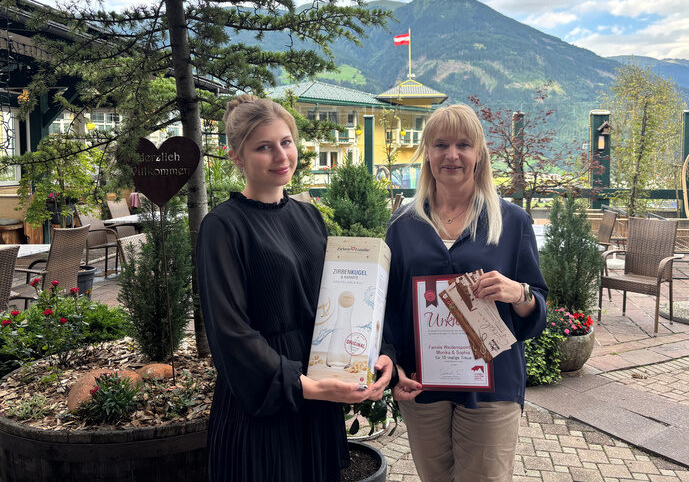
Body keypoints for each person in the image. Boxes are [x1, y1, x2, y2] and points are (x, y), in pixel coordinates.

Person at [196, 94, 393, 482]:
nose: (281, 155)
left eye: (285, 142)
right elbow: (230, 333)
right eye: (263, 147)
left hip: (317, 386)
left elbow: (336, 300)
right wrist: (306, 386)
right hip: (264, 397)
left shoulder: (308, 215)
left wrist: (375, 354)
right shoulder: (223, 226)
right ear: (236, 156)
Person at [383, 103, 548, 482]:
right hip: (423, 384)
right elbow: (390, 309)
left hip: (491, 384)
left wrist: (517, 292)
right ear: (427, 153)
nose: (452, 155)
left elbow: (536, 302)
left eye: (463, 144)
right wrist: (394, 365)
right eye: (440, 144)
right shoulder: (404, 225)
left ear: (479, 154)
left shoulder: (511, 221)